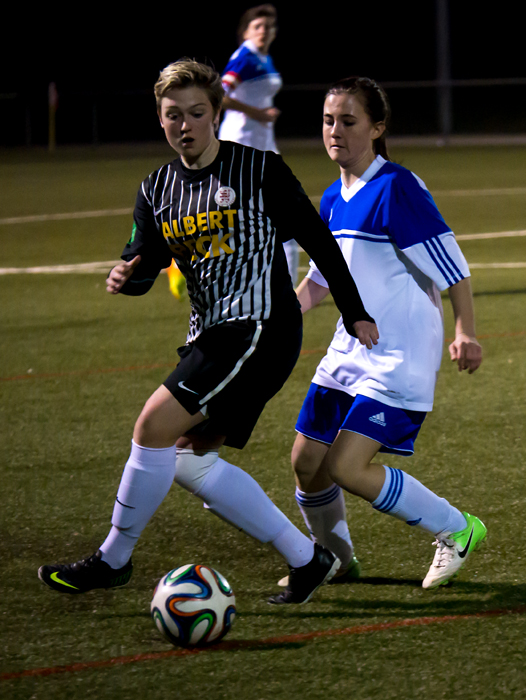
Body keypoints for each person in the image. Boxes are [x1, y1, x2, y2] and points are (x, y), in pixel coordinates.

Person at [38, 60, 379, 606]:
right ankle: (306, 557)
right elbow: (143, 265)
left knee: (151, 424)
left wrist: (354, 310)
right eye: (174, 115)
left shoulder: (259, 170)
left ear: (216, 114)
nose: (186, 125)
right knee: (188, 459)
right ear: (161, 119)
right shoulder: (156, 189)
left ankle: (112, 560)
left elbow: (319, 239)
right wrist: (127, 274)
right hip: (211, 336)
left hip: (260, 329)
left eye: (197, 113)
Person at [277, 76, 486, 595]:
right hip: (352, 347)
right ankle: (335, 559)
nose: (335, 131)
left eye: (348, 121)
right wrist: (279, 316)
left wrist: (465, 331)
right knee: (306, 461)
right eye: (328, 121)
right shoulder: (332, 196)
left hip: (400, 353)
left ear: (376, 127)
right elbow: (322, 280)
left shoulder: (396, 187)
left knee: (346, 465)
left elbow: (453, 269)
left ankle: (456, 527)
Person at [218, 4, 300, 286]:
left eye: (267, 26)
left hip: (263, 145)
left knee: (277, 213)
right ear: (245, 33)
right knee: (259, 214)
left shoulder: (264, 58)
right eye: (257, 26)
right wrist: (257, 113)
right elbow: (220, 93)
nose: (263, 31)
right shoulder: (244, 57)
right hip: (240, 143)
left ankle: (282, 286)